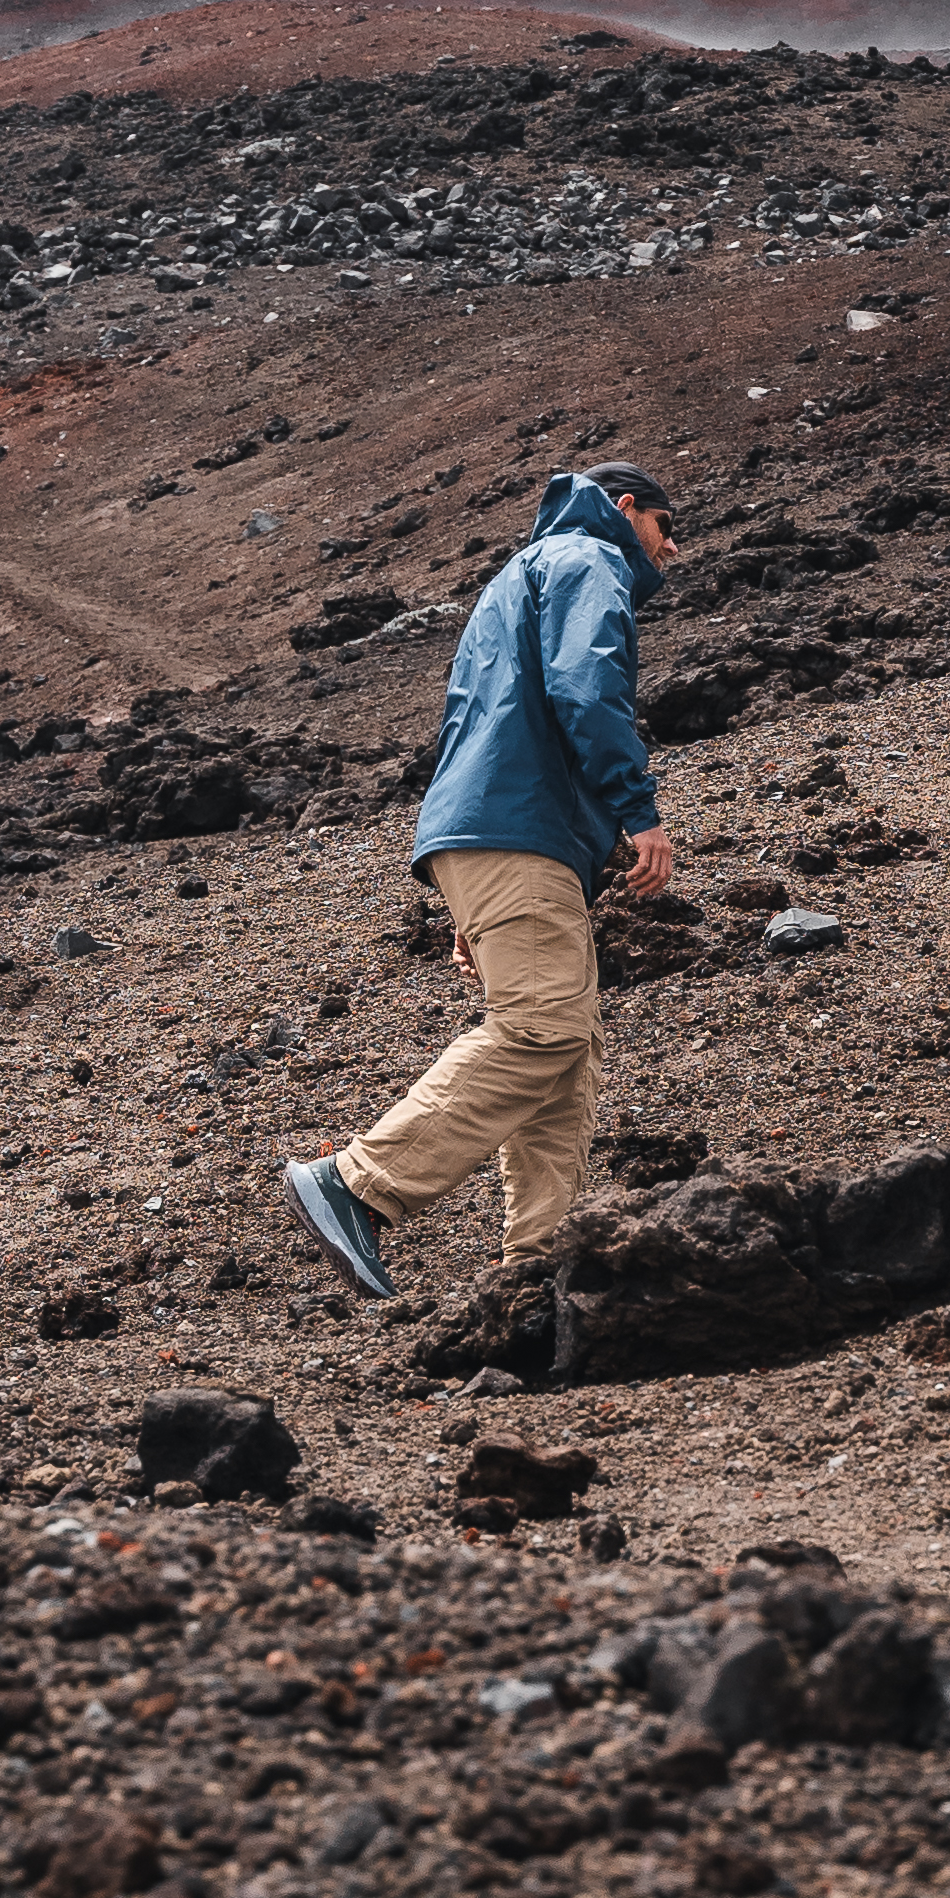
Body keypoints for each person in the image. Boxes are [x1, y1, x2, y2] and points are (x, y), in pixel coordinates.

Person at [282, 456, 680, 1297]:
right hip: (515, 836)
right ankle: (358, 1183)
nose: (671, 549)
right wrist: (637, 808)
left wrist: (472, 894)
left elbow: (476, 723)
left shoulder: (517, 579)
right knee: (544, 1028)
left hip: (493, 837)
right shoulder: (586, 558)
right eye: (666, 526)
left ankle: (539, 1262)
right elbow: (587, 685)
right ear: (625, 508)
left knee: (567, 1050)